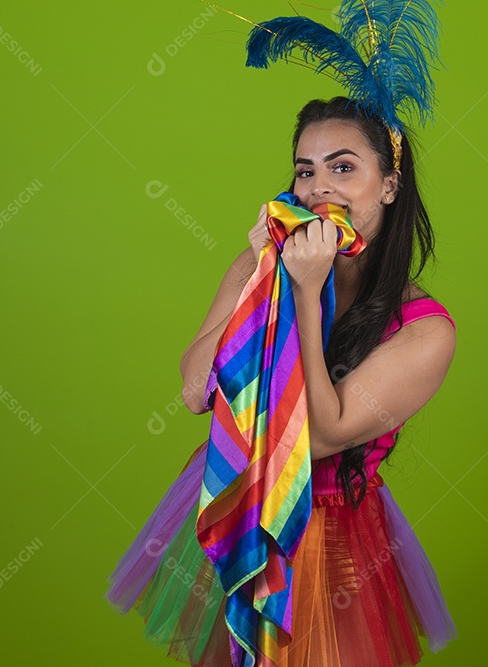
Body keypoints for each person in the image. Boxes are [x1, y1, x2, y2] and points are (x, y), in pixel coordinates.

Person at [105, 95, 458, 666]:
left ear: (389, 186)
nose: (320, 189)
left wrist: (304, 291)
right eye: (305, 170)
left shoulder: (424, 331)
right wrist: (263, 278)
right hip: (241, 506)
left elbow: (318, 436)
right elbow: (197, 389)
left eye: (344, 168)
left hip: (331, 535)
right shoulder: (261, 267)